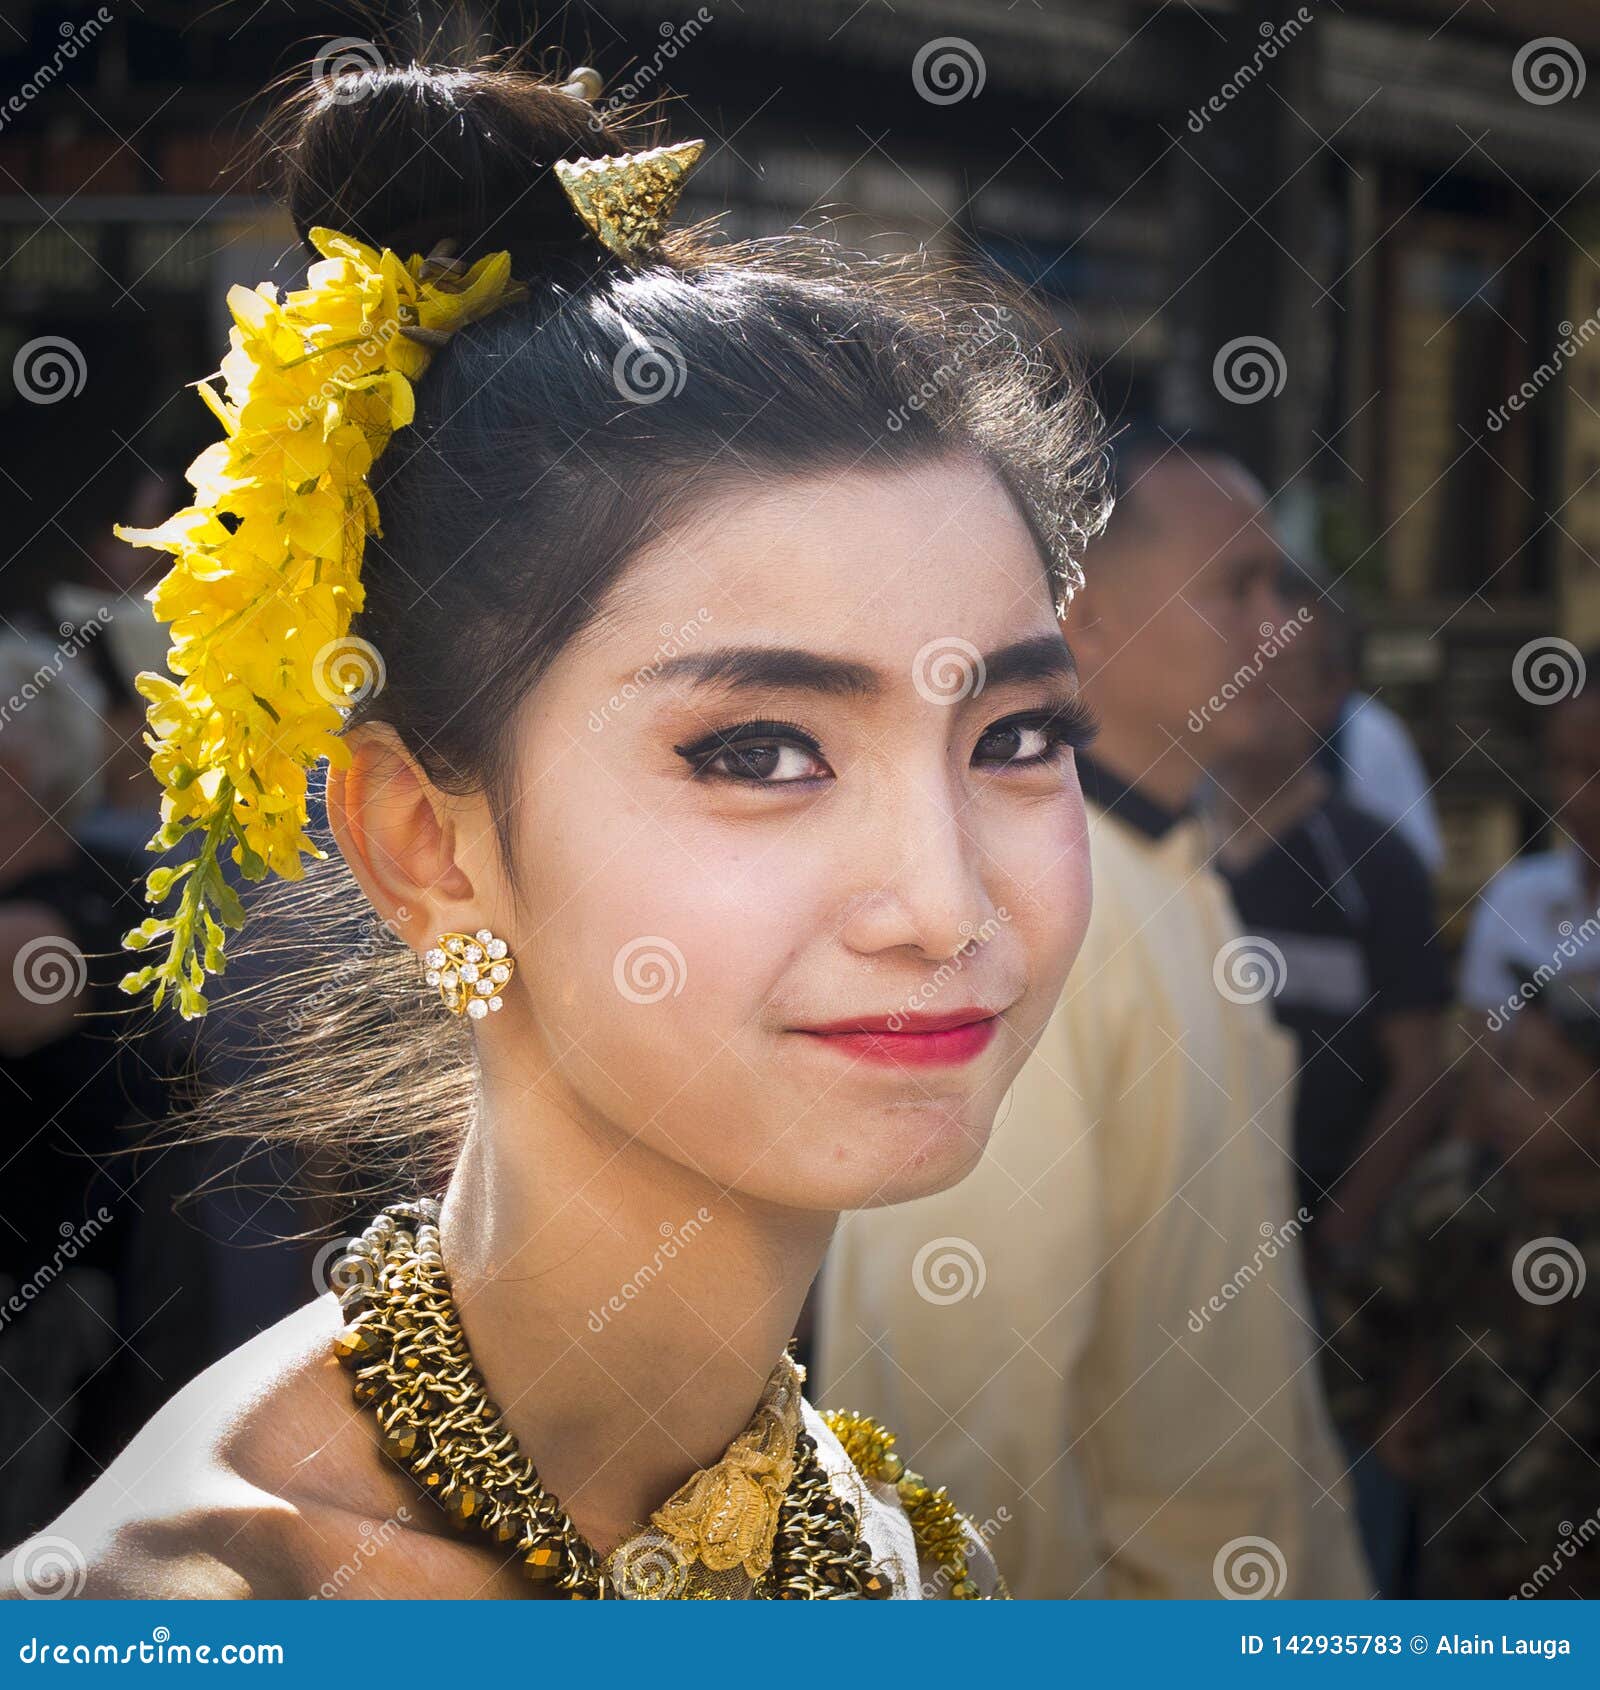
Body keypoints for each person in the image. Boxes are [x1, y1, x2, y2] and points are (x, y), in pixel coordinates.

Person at [1, 58, 1111, 1601]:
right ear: (423, 844)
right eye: (761, 749)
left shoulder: (864, 1532)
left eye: (1017, 738)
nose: (943, 902)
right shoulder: (182, 1608)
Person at [818, 431, 1372, 1599]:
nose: (1283, 625)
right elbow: (966, 1407)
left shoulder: (1174, 865)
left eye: (1286, 586)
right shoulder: (1017, 920)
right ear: (1082, 620)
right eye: (1236, 586)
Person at [1200, 581, 1452, 1596]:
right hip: (1176, 1256)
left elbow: (1420, 1067)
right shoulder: (1147, 855)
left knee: (1330, 1512)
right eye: (1239, 662)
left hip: (1329, 1279)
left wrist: (1338, 1232)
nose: (1255, 688)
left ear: (1336, 692)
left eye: (1288, 671)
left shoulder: (1373, 866)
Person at [1322, 966, 1600, 1598]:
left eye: (1547, 1084)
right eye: (1503, 1070)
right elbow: (1360, 1324)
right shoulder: (1450, 1195)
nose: (1507, 1098)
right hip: (1452, 1547)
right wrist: (1385, 1417)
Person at [1459, 658, 1600, 1017]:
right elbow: (1483, 1062)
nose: (1573, 794)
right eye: (1559, 765)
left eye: (1595, 770)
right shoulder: (1513, 899)